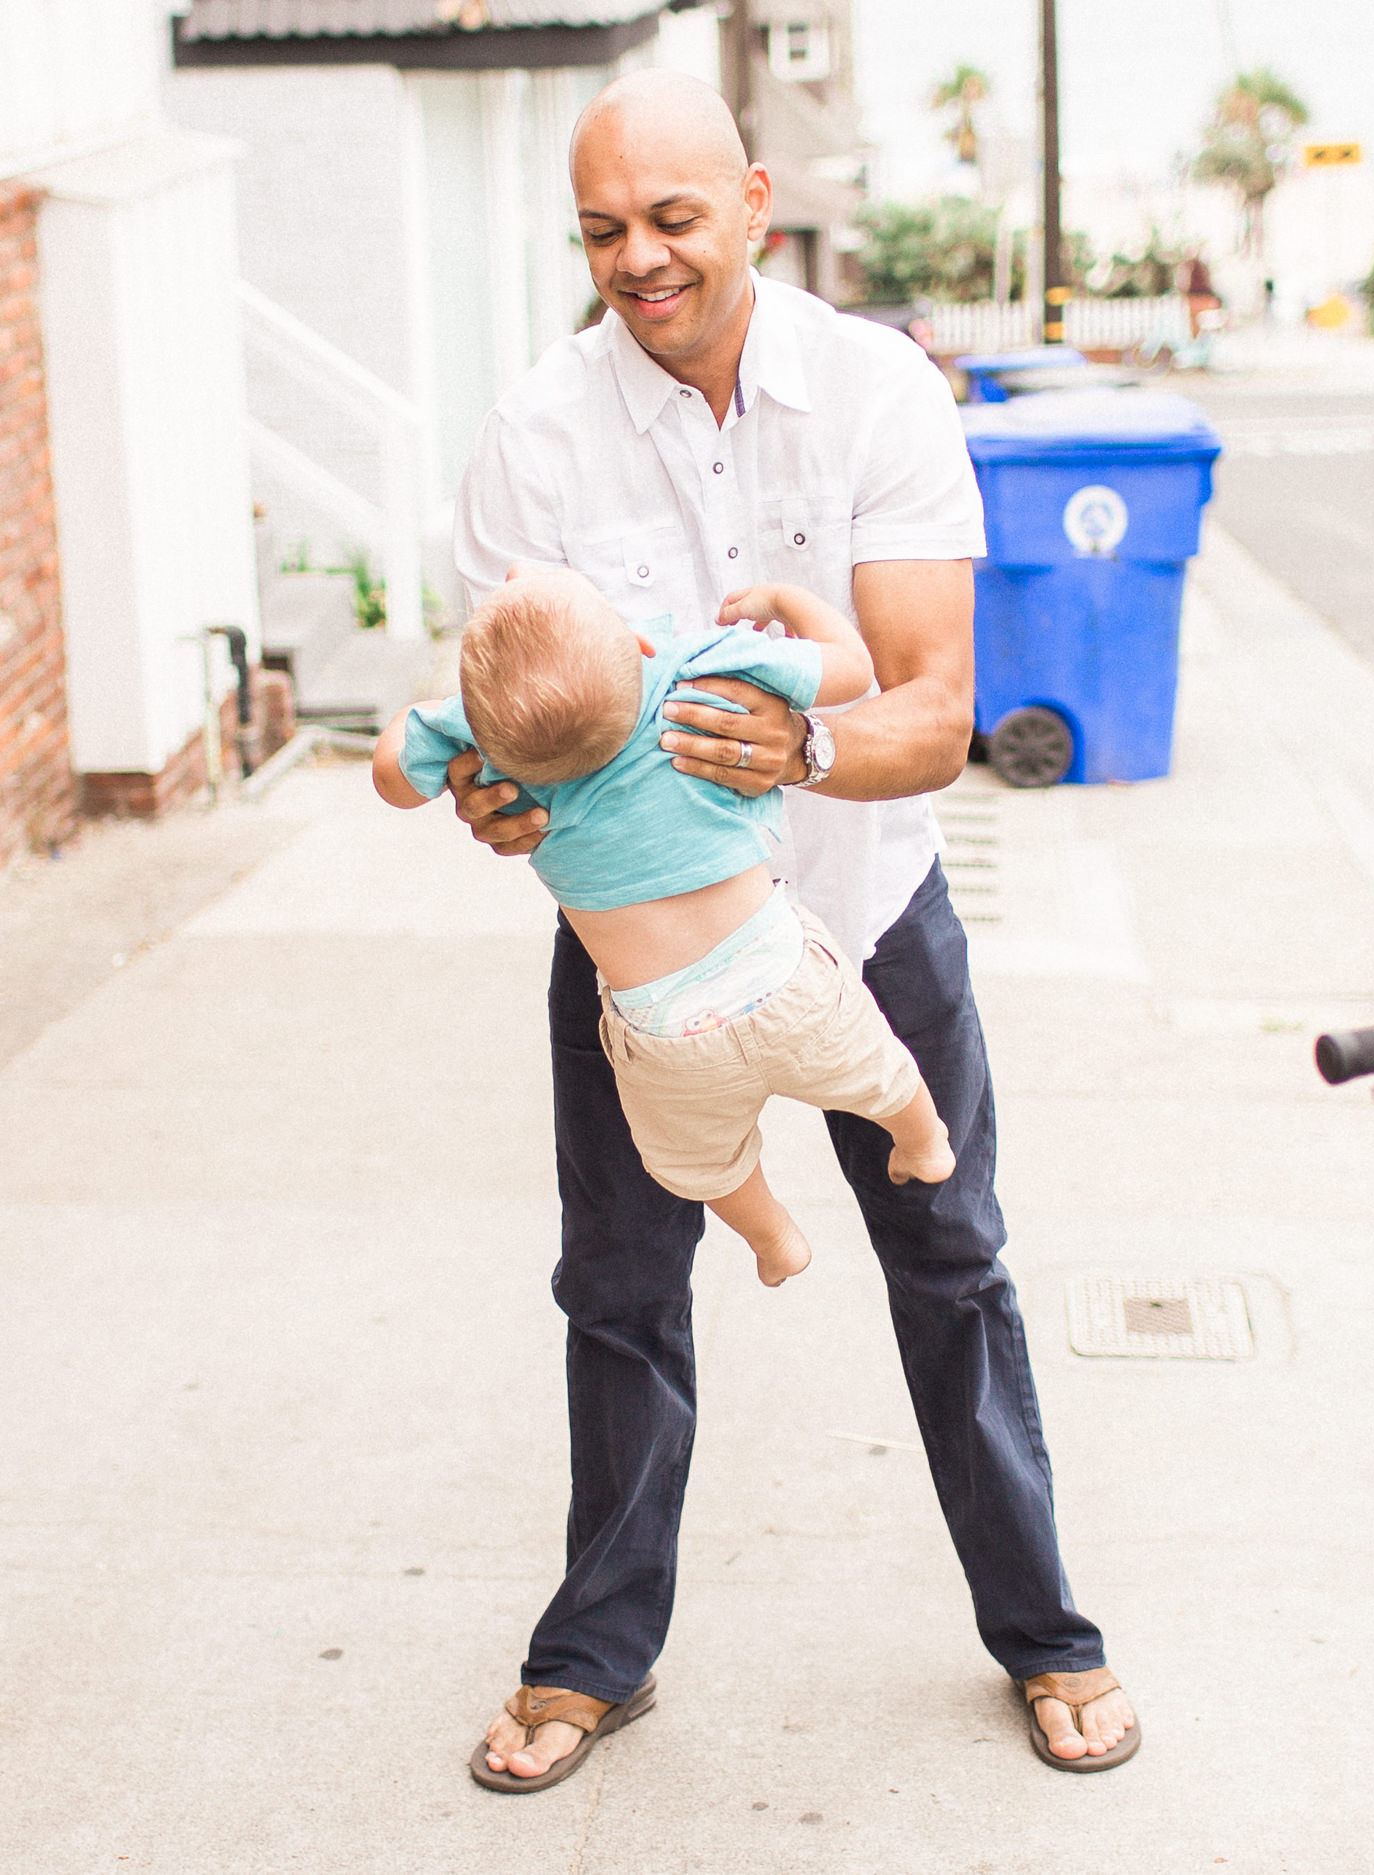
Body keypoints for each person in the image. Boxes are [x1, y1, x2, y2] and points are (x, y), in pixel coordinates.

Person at [447, 70, 1140, 1784]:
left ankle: (1046, 1635)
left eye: (674, 221)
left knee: (952, 1262)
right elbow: (494, 754)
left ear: (755, 202)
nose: (640, 262)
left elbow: (937, 709)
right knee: (616, 1289)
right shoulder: (536, 436)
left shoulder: (875, 393)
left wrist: (807, 744)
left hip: (866, 916)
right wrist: (498, 799)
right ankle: (596, 1652)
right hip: (640, 959)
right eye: (604, 231)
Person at [372, 566, 955, 1289]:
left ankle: (774, 1238)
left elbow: (392, 779)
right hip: (783, 974)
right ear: (641, 643)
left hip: (666, 1037)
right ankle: (923, 1141)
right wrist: (783, 601)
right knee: (877, 1067)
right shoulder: (696, 667)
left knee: (699, 1161)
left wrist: (432, 716)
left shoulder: (495, 747)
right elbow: (850, 667)